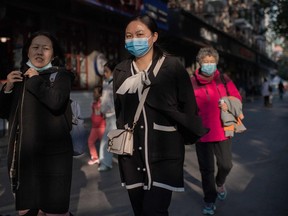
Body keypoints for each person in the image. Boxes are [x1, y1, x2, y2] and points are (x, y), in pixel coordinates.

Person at [112, 15, 207, 216]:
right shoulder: (121, 70)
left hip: (164, 153)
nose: (133, 40)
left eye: (139, 34)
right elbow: (119, 110)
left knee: (154, 210)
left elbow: (189, 106)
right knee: (140, 211)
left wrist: (183, 134)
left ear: (154, 36)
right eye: (128, 36)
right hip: (131, 155)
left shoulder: (172, 67)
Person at [0, 31, 74, 216]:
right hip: (25, 158)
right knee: (28, 211)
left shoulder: (61, 76)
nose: (40, 51)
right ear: (27, 52)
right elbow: (3, 113)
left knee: (54, 211)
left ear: (53, 55)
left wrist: (34, 80)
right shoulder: (18, 78)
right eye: (35, 47)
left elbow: (56, 102)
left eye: (46, 48)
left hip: (54, 159)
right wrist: (7, 88)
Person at [190, 47, 242, 215]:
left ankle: (220, 183)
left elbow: (237, 98)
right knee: (206, 170)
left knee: (226, 164)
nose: (209, 65)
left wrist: (229, 102)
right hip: (201, 132)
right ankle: (209, 201)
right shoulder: (191, 82)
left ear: (216, 63)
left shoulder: (224, 80)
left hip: (222, 130)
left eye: (212, 62)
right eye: (206, 62)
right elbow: (185, 106)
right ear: (200, 63)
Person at [98, 60, 118, 172]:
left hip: (115, 115)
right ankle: (105, 162)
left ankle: (105, 162)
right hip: (108, 115)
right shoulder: (105, 82)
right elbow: (104, 99)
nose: (104, 74)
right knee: (109, 140)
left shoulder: (117, 82)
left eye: (106, 71)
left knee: (108, 140)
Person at [87, 86, 106, 165]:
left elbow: (101, 113)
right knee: (90, 141)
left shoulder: (101, 102)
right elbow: (94, 113)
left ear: (99, 93)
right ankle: (95, 158)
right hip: (94, 127)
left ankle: (105, 159)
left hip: (101, 127)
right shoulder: (94, 102)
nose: (93, 94)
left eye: (95, 92)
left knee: (104, 144)